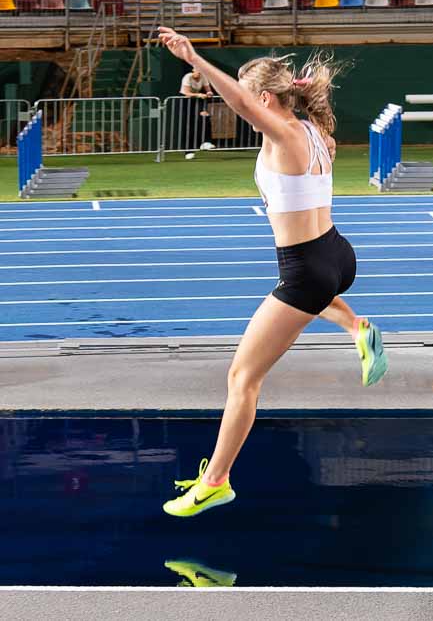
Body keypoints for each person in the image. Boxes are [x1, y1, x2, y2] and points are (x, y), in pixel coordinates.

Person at [155, 29, 388, 517]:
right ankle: (358, 327)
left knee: (242, 378)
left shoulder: (283, 133)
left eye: (250, 97)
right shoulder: (317, 131)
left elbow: (239, 102)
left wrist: (196, 57)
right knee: (309, 299)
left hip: (306, 270)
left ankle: (216, 481)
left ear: (264, 98)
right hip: (336, 256)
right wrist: (201, 79)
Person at [180, 67, 217, 159]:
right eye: (197, 71)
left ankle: (206, 142)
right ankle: (188, 151)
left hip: (198, 99)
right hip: (185, 100)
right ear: (193, 70)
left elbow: (208, 90)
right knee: (189, 125)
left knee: (205, 117)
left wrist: (209, 93)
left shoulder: (203, 77)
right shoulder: (187, 77)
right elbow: (186, 92)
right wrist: (198, 95)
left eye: (201, 72)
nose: (199, 74)